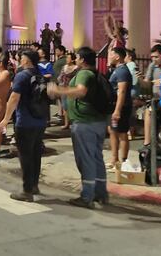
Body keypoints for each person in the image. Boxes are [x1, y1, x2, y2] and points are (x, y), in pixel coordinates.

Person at [48, 47, 108, 209]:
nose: (75, 59)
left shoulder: (83, 73)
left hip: (84, 122)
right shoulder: (96, 73)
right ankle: (101, 193)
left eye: (77, 57)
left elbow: (81, 91)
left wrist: (58, 90)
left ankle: (87, 196)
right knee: (96, 157)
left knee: (86, 159)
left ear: (82, 59)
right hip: (98, 121)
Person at [2, 50, 47, 202]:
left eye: (22, 58)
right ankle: (34, 185)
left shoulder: (22, 76)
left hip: (25, 121)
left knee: (26, 156)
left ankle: (27, 191)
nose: (20, 60)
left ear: (27, 60)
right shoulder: (40, 75)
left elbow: (14, 98)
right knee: (35, 154)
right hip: (40, 121)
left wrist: (6, 118)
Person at [107, 47, 132, 168]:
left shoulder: (122, 71)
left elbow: (122, 91)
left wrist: (117, 110)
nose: (109, 57)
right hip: (115, 106)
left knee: (122, 133)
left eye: (111, 55)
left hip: (122, 107)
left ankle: (124, 161)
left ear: (117, 56)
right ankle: (114, 159)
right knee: (113, 131)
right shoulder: (116, 70)